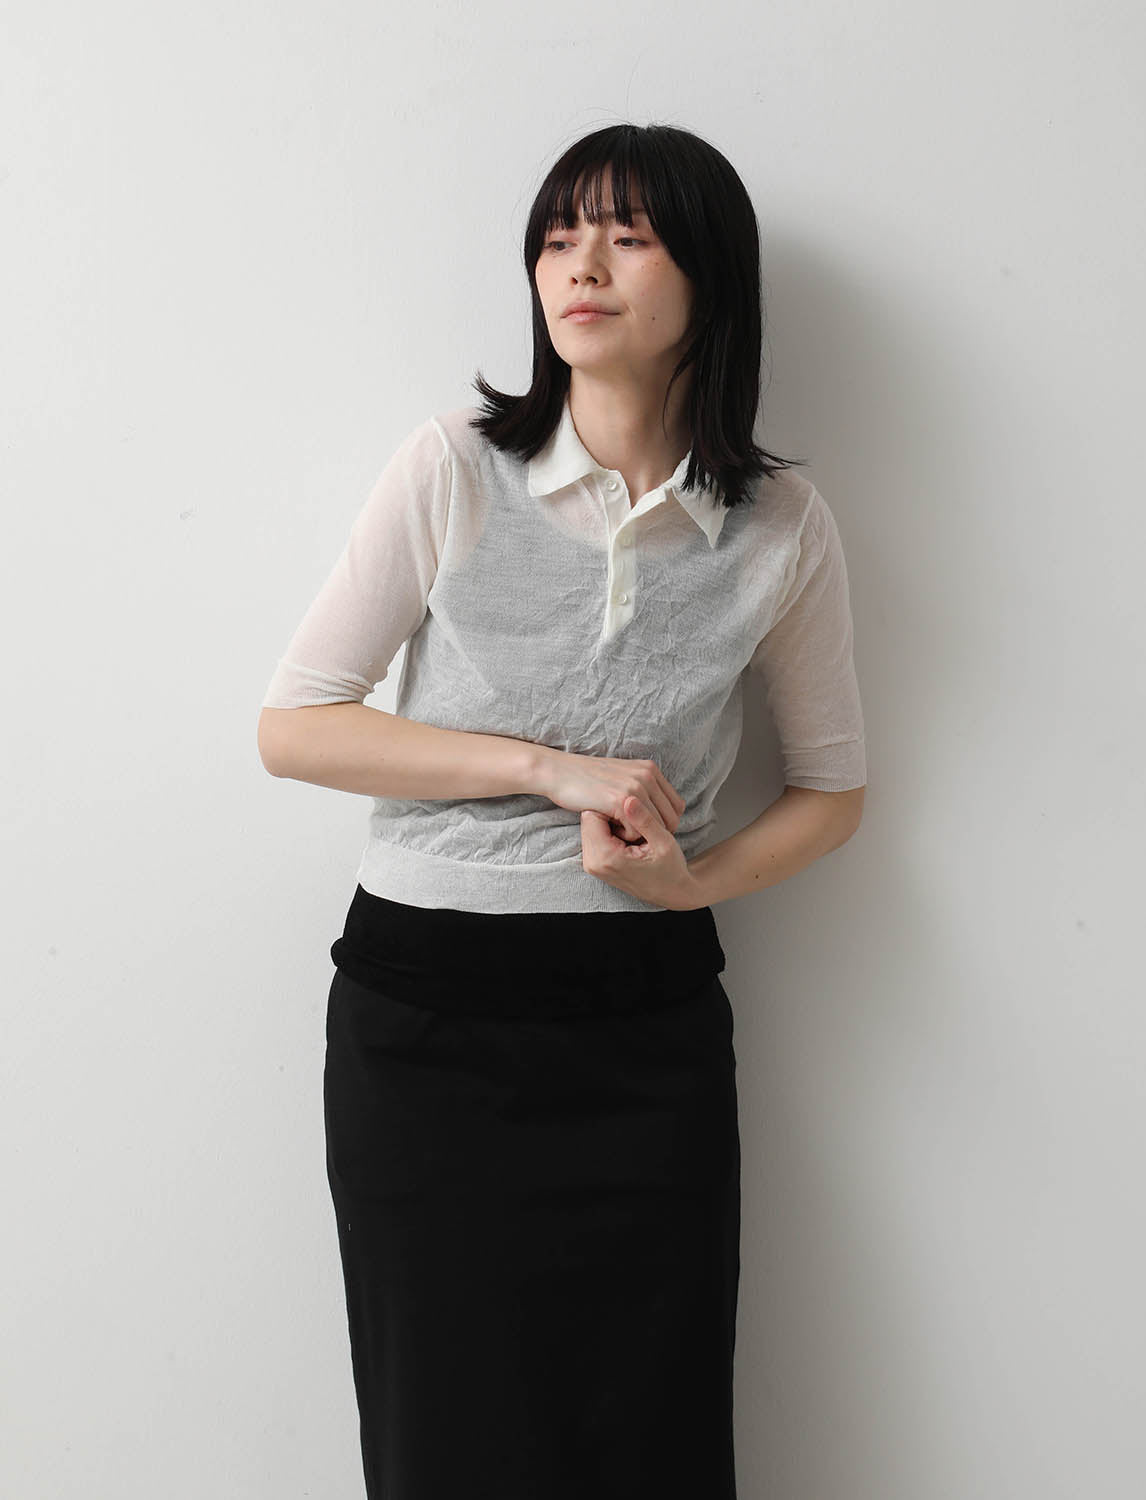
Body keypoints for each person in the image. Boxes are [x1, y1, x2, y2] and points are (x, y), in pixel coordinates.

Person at [257, 121, 867, 1500]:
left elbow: (834, 793)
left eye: (628, 236)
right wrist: (545, 768)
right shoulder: (453, 468)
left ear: (710, 276)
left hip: (643, 1019)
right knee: (446, 1439)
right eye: (557, 236)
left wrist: (691, 884)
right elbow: (295, 727)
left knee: (648, 1435)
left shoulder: (781, 527)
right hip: (425, 1020)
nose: (579, 266)